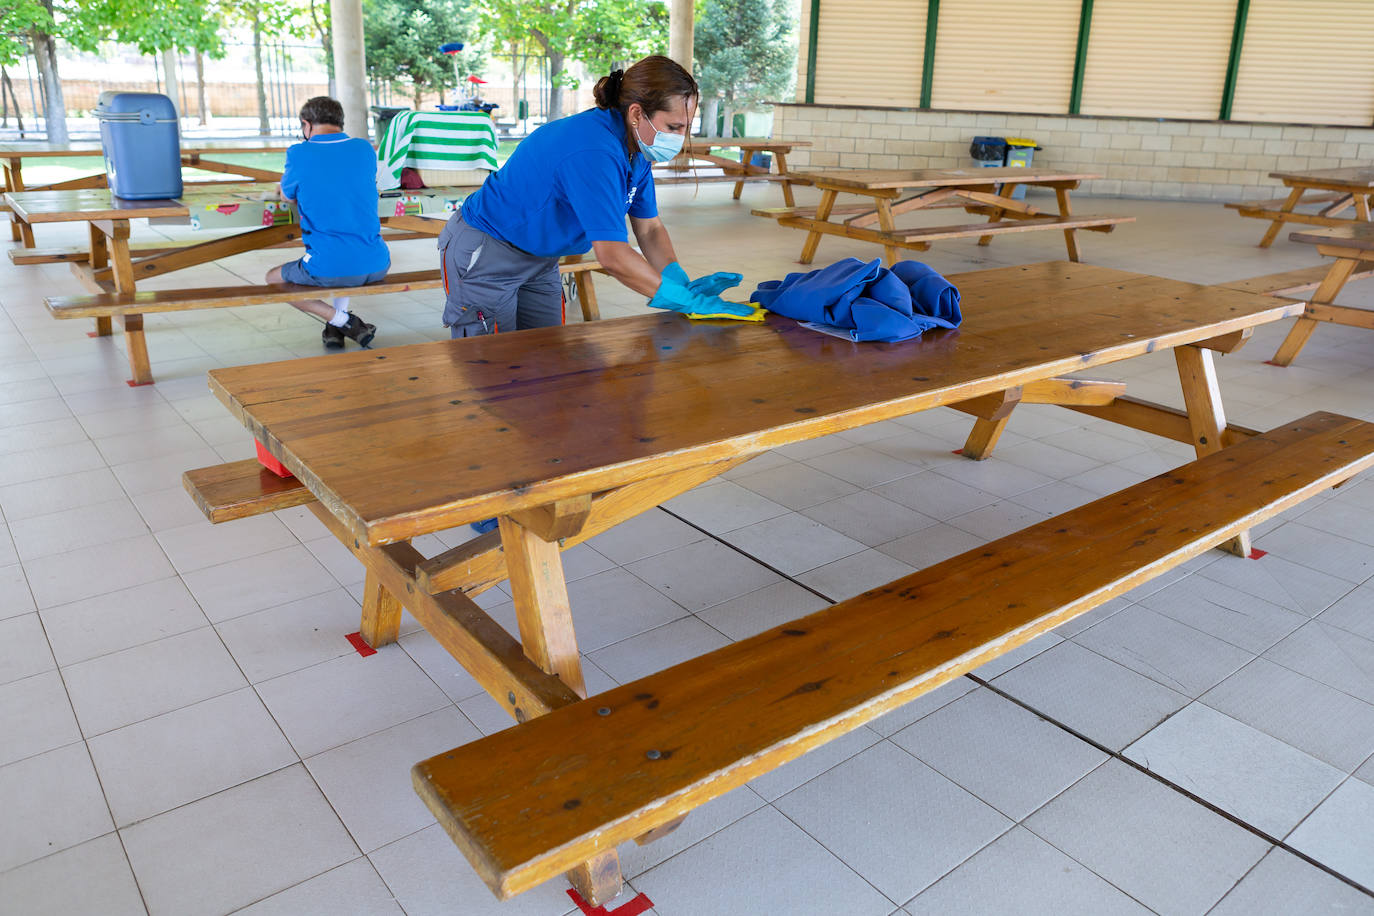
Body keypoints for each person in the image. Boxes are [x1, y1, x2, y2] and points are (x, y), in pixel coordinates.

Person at [437, 54, 750, 340]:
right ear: (637, 113)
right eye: (674, 126)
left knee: (545, 357)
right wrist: (683, 301)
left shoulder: (636, 149)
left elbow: (650, 228)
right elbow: (612, 255)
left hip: (540, 257)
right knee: (490, 368)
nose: (679, 139)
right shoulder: (594, 150)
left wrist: (678, 280)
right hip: (489, 250)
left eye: (686, 128)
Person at [267, 96, 390, 349]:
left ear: (306, 124)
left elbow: (288, 196)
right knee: (342, 253)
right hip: (378, 261)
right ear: (340, 122)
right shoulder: (364, 148)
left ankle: (344, 320)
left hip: (330, 266)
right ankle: (333, 329)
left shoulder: (299, 152)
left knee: (273, 279)